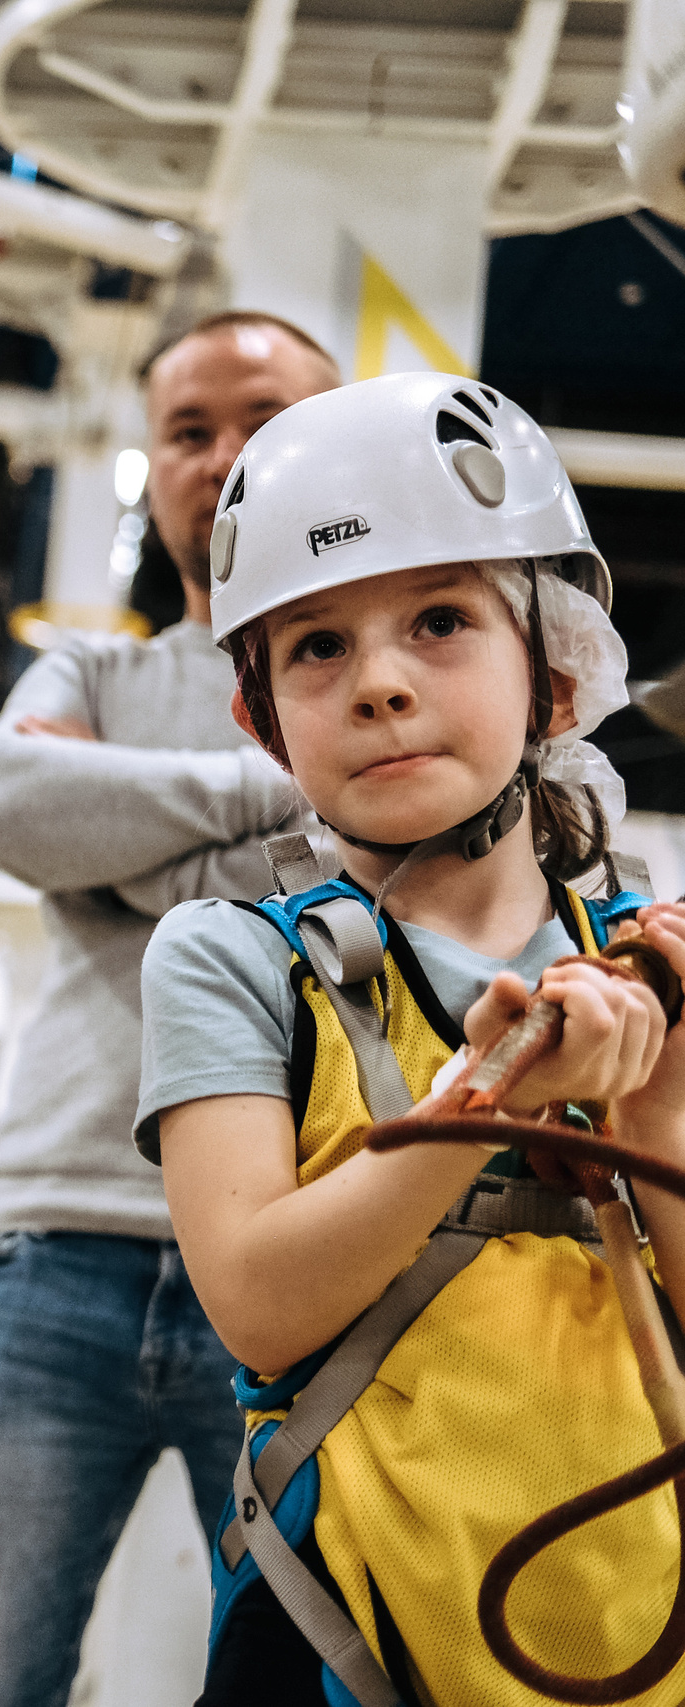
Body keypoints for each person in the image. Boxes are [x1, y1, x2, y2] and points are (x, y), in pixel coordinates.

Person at [140, 371, 685, 1702]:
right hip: (342, 1644)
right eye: (317, 646)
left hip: (634, 1632)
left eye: (440, 621)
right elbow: (259, 1303)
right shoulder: (232, 958)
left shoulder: (657, 975)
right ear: (260, 716)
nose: (380, 683)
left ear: (555, 674)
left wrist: (660, 1109)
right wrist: (484, 1097)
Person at [0, 311, 341, 1707]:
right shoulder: (97, 672)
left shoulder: (368, 685)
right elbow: (7, 798)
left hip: (294, 1262)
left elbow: (379, 860)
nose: (220, 457)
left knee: (308, 1680)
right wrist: (280, 794)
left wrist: (125, 851)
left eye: (260, 421)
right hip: (42, 1247)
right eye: (187, 431)